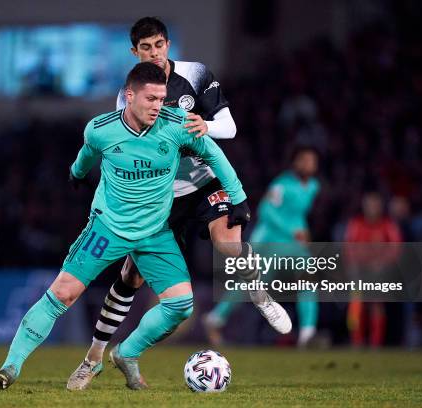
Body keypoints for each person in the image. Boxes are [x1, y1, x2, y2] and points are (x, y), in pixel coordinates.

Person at [0, 62, 252, 391]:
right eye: (151, 99)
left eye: (161, 99)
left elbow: (216, 157)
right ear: (129, 96)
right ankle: (10, 367)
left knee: (181, 305)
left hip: (154, 233)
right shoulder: (101, 129)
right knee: (63, 293)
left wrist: (239, 199)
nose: (158, 106)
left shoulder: (178, 126)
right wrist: (76, 172)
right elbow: (87, 155)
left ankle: (126, 352)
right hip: (108, 228)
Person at [67, 16, 290, 391]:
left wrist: (205, 125)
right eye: (145, 48)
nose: (153, 53)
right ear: (134, 52)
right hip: (160, 197)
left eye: (159, 45)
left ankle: (259, 293)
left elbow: (230, 127)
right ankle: (94, 356)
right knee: (129, 277)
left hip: (204, 184)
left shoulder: (196, 74)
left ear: (168, 45)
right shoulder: (130, 94)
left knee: (229, 246)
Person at [204, 146, 321, 346]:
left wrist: (303, 232)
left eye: (312, 161)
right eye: (304, 160)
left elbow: (297, 215)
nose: (309, 164)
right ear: (295, 163)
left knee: (308, 280)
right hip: (269, 240)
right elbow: (266, 211)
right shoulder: (282, 185)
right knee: (253, 285)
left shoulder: (313, 187)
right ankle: (216, 318)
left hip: (292, 244)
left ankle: (308, 334)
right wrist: (292, 231)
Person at [345, 191, 402, 347]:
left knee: (377, 303)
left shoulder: (387, 225)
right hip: (359, 271)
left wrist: (383, 263)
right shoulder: (356, 224)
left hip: (379, 272)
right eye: (368, 205)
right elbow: (349, 247)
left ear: (380, 207)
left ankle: (376, 343)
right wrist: (354, 265)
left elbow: (395, 248)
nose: (371, 208)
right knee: (356, 303)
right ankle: (356, 341)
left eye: (375, 205)